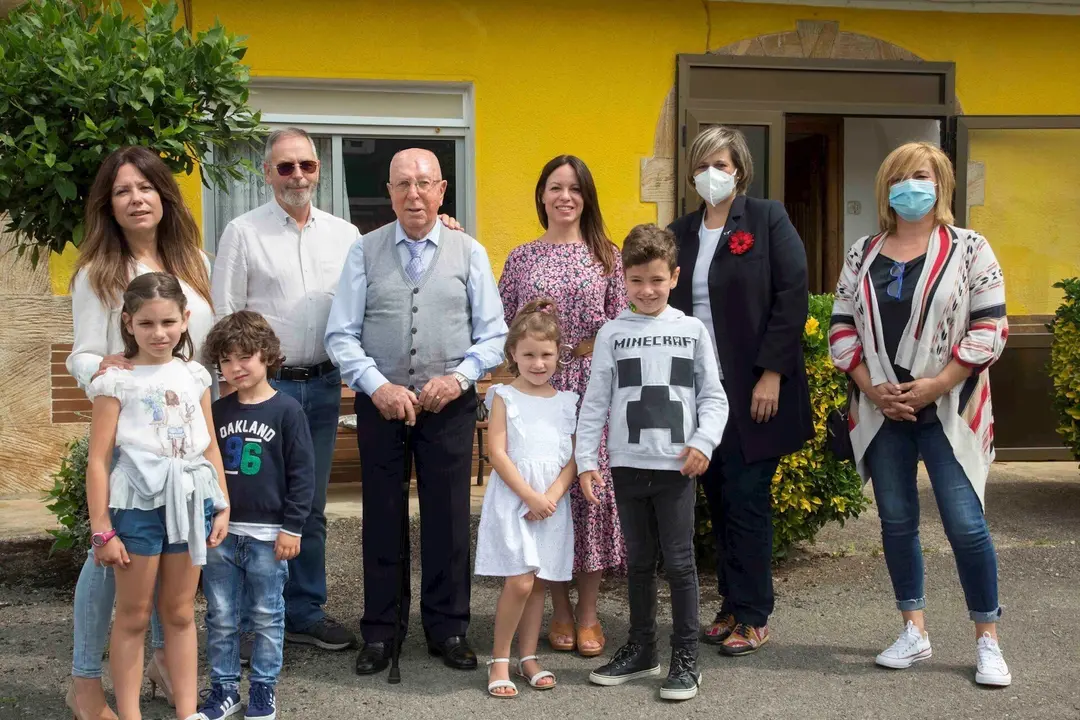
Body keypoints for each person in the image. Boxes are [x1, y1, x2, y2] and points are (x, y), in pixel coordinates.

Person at [829, 141, 1011, 686]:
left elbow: (990, 327)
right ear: (887, 187)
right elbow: (841, 326)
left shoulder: (971, 249)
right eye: (901, 176)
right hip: (884, 411)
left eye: (923, 175)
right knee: (897, 522)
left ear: (942, 185)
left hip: (948, 408)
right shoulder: (864, 252)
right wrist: (871, 387)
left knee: (966, 525)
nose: (912, 185)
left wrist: (936, 384)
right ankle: (914, 631)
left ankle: (987, 640)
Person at [325, 147, 508, 675]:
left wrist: (458, 379)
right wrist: (377, 386)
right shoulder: (364, 251)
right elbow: (341, 333)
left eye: (424, 183)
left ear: (441, 190)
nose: (414, 193)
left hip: (448, 405)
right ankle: (382, 632)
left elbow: (493, 334)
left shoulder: (469, 251)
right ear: (389, 192)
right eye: (403, 184)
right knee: (382, 516)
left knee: (449, 519)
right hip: (380, 403)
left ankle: (448, 627)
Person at [66, 145, 216, 719]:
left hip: (186, 427)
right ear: (109, 203)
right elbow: (82, 354)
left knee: (174, 561)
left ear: (163, 195)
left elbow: (203, 344)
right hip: (128, 433)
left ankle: (162, 661)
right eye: (123, 190)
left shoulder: (193, 261)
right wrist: (109, 373)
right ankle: (85, 683)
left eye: (146, 187)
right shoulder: (97, 274)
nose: (136, 199)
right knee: (107, 558)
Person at [667, 126, 813, 656]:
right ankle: (730, 604)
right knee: (718, 499)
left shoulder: (767, 219)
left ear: (740, 170)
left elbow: (792, 295)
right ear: (692, 173)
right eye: (705, 164)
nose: (714, 173)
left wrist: (771, 372)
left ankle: (754, 615)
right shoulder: (679, 230)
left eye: (723, 164)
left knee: (748, 500)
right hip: (697, 392)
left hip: (753, 389)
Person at [212, 127, 358, 653]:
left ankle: (303, 611)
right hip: (261, 392)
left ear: (319, 169)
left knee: (308, 505)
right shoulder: (243, 232)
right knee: (250, 504)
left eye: (308, 166)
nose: (298, 175)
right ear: (266, 173)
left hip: (320, 386)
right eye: (286, 167)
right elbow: (226, 316)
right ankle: (249, 620)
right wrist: (229, 390)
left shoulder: (346, 235)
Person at [578, 224, 728, 701]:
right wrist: (586, 460)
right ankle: (643, 647)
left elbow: (713, 396)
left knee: (681, 565)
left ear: (675, 277)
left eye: (657, 280)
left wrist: (703, 442)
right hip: (626, 465)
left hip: (677, 467)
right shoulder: (612, 333)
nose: (647, 290)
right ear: (623, 279)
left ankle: (686, 656)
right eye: (637, 280)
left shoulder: (690, 330)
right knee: (638, 563)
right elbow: (595, 402)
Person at [84, 272, 229, 720]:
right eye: (146, 324)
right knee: (133, 613)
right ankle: (130, 715)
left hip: (191, 503)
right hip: (138, 508)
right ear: (128, 323)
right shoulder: (114, 381)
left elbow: (209, 445)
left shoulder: (195, 374)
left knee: (181, 612)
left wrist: (222, 502)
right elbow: (98, 460)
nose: (159, 333)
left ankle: (187, 712)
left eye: (168, 322)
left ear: (185, 320)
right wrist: (102, 530)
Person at [498, 155, 626, 657]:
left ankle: (590, 611)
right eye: (555, 187)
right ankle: (561, 609)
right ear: (542, 195)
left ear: (587, 196)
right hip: (538, 392)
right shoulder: (521, 258)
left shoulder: (608, 257)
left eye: (574, 188)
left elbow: (620, 330)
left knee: (590, 495)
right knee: (548, 497)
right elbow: (506, 328)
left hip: (591, 387)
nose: (565, 197)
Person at [196, 310, 316, 719]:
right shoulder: (217, 410)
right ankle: (224, 689)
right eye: (225, 360)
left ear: (266, 355)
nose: (234, 367)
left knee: (266, 615)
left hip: (269, 533)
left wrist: (292, 527)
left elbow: (303, 475)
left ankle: (263, 688)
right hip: (221, 533)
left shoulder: (287, 411)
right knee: (221, 615)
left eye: (244, 356)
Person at [474, 299, 580, 698]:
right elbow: (498, 452)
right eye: (529, 355)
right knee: (518, 580)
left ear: (558, 355)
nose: (539, 363)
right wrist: (530, 496)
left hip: (551, 502)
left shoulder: (565, 400)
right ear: (513, 354)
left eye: (547, 355)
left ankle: (529, 656)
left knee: (539, 583)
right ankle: (499, 658)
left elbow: (572, 457)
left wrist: (550, 495)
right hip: (516, 499)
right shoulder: (504, 395)